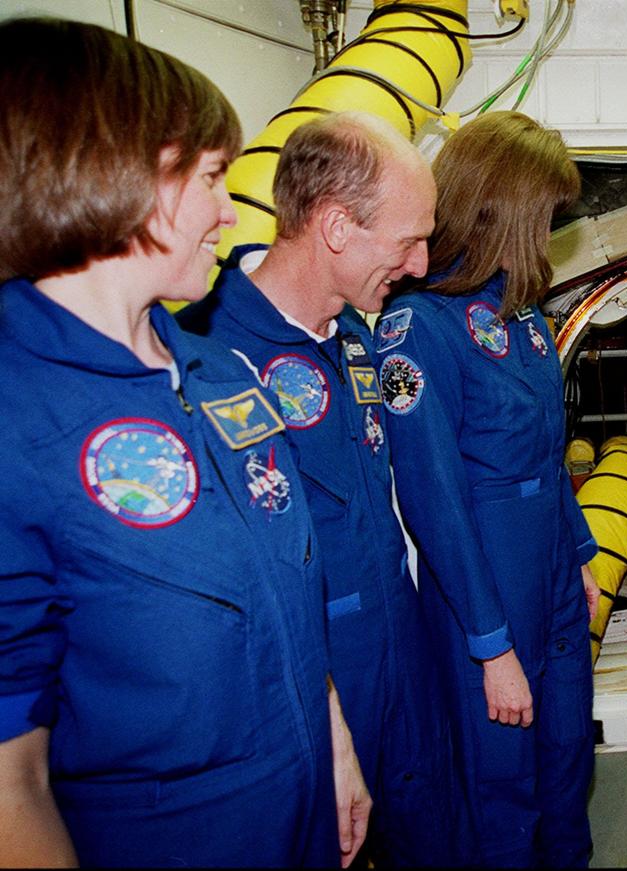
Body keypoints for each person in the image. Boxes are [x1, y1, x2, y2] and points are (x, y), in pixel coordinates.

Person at [0, 18, 369, 867]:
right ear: (114, 176)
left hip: (303, 801)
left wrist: (335, 740)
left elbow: (290, 577)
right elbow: (9, 778)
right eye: (210, 178)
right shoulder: (19, 417)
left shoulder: (217, 369)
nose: (229, 211)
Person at [179, 111, 471, 866]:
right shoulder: (209, 359)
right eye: (408, 239)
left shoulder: (356, 336)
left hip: (401, 648)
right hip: (312, 678)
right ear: (336, 228)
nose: (419, 264)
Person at [373, 110, 600, 867]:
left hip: (552, 576)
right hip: (487, 589)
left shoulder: (523, 315)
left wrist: (580, 556)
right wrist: (490, 645)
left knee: (568, 756)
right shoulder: (417, 326)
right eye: (543, 219)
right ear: (500, 209)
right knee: (501, 784)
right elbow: (433, 499)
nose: (548, 237)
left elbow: (546, 451)